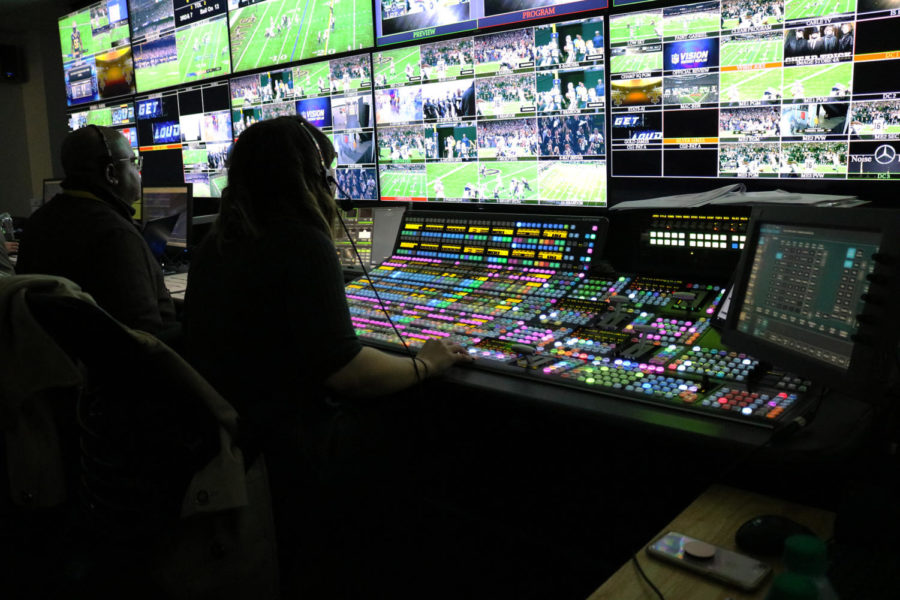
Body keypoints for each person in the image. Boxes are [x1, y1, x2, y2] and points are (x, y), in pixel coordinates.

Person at [181, 115, 472, 595]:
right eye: (328, 173)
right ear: (308, 177)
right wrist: (426, 362)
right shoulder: (300, 242)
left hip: (234, 435)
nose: (333, 185)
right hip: (289, 447)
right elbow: (347, 372)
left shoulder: (218, 243)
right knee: (424, 412)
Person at [16, 126, 175, 334]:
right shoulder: (115, 235)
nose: (138, 172)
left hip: (60, 360)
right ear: (111, 173)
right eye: (134, 163)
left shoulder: (38, 222)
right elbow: (145, 337)